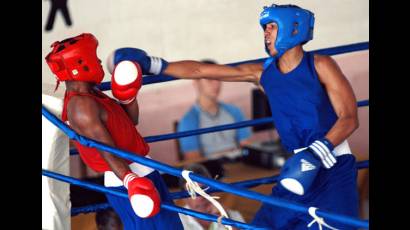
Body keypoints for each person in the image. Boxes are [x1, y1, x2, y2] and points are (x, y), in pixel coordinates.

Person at [107, 3, 360, 229]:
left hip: (332, 164)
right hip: (296, 169)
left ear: (293, 28)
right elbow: (202, 70)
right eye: (264, 28)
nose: (266, 33)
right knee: (266, 224)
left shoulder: (320, 65)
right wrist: (153, 64)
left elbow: (349, 117)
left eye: (271, 26)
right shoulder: (263, 73)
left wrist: (317, 152)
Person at [45, 33, 183, 230]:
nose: (100, 61)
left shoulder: (92, 94)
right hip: (127, 177)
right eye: (94, 57)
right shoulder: (81, 105)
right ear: (80, 63)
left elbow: (130, 123)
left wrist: (128, 97)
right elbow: (105, 149)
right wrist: (130, 180)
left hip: (140, 170)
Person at [177, 59, 251, 161]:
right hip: (211, 174)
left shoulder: (234, 111)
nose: (216, 84)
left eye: (218, 78)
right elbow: (194, 160)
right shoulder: (188, 121)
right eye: (210, 79)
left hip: (240, 168)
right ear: (196, 82)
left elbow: (247, 147)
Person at [178, 163, 245, 230]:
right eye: (193, 192)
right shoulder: (177, 220)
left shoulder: (233, 216)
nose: (201, 197)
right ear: (184, 198)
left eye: (204, 189)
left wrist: (227, 220)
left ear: (212, 190)